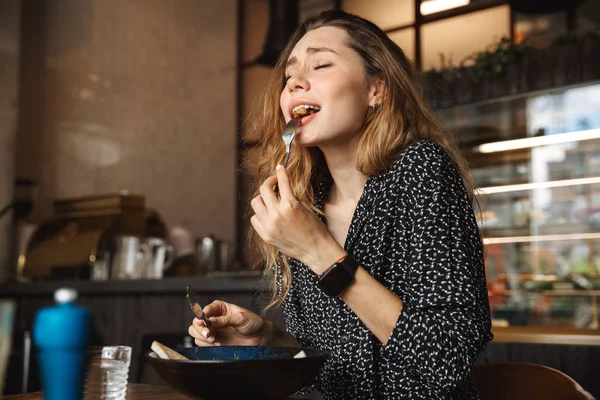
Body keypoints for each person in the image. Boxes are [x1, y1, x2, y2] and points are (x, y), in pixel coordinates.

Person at [189, 9, 493, 399]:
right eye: (288, 76)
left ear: (376, 90)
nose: (295, 81)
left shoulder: (422, 169)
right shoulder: (306, 201)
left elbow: (446, 359)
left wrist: (320, 251)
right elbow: (338, 358)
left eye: (321, 64)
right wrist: (265, 338)